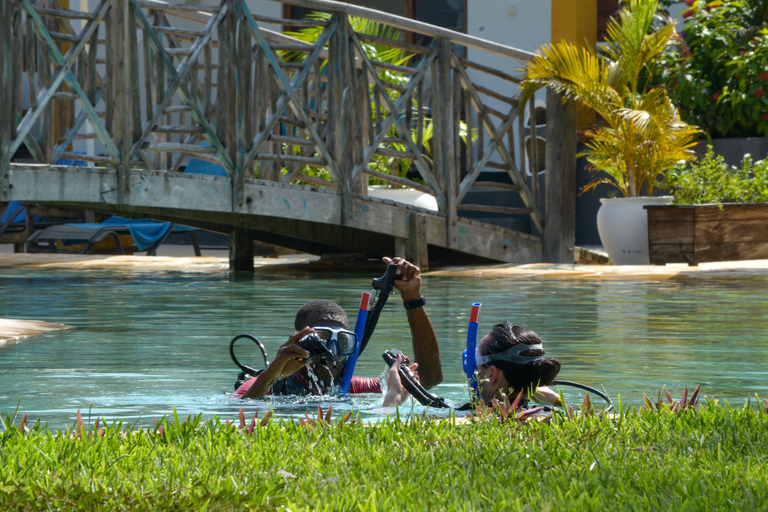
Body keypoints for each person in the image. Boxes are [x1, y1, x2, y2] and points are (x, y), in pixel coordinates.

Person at [234, 256, 442, 399]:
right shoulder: (270, 387)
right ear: (297, 342)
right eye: (321, 341)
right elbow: (240, 410)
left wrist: (412, 298)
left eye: (343, 342)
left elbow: (429, 380)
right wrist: (272, 373)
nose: (331, 353)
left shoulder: (354, 388)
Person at [383, 320, 560, 408]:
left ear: (492, 373)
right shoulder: (546, 413)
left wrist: (394, 396)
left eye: (475, 359)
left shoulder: (463, 419)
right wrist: (558, 402)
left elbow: (384, 438)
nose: (470, 366)